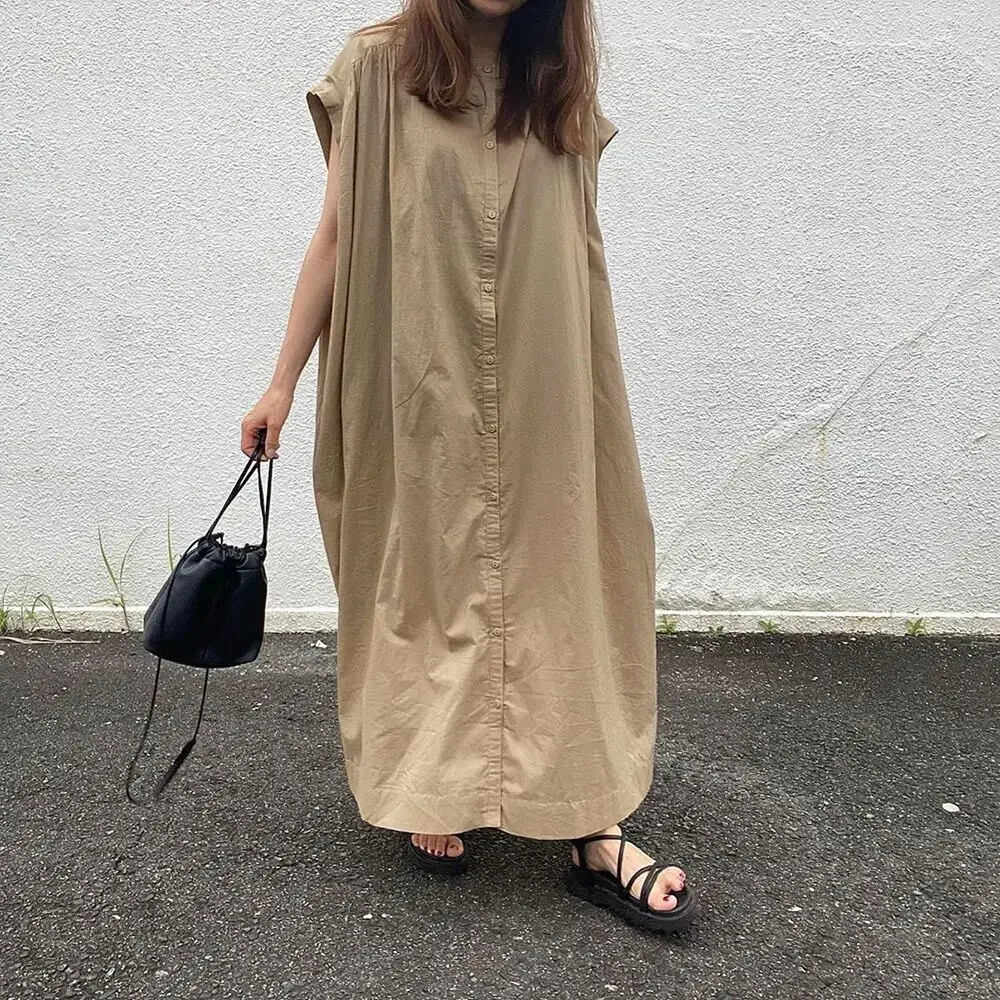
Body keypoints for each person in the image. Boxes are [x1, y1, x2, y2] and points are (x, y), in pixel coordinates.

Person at [240, 0, 696, 933]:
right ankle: (433, 781)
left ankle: (590, 821)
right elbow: (336, 234)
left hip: (544, 375)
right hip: (415, 371)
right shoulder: (376, 68)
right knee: (425, 574)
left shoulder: (558, 78)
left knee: (564, 576)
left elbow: (578, 248)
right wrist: (280, 381)